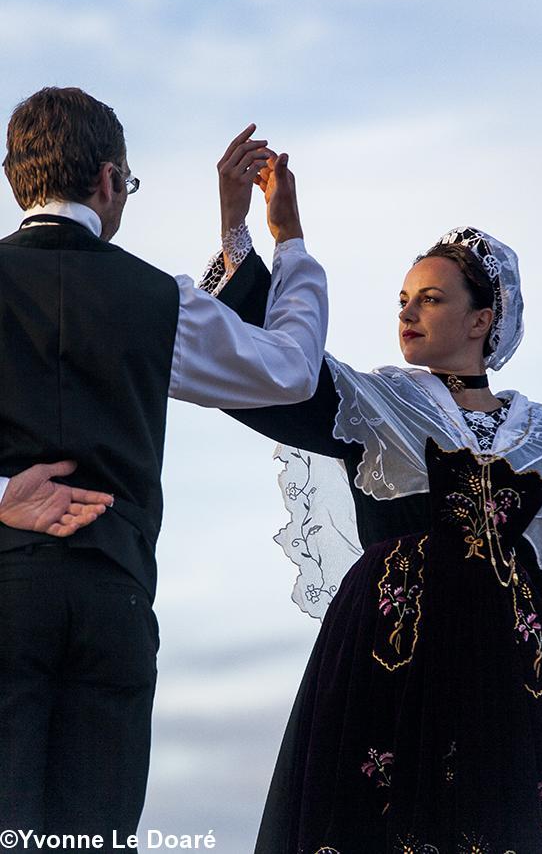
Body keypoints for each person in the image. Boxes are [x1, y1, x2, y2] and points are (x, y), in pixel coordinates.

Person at [207, 163, 542, 852]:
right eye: (402, 300)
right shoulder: (380, 401)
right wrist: (261, 234)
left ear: (483, 318)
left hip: (509, 683)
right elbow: (274, 374)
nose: (408, 314)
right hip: (392, 660)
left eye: (431, 300)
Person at [0, 87, 327, 845]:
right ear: (111, 180)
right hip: (114, 596)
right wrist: (284, 237)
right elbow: (289, 371)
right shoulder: (155, 299)